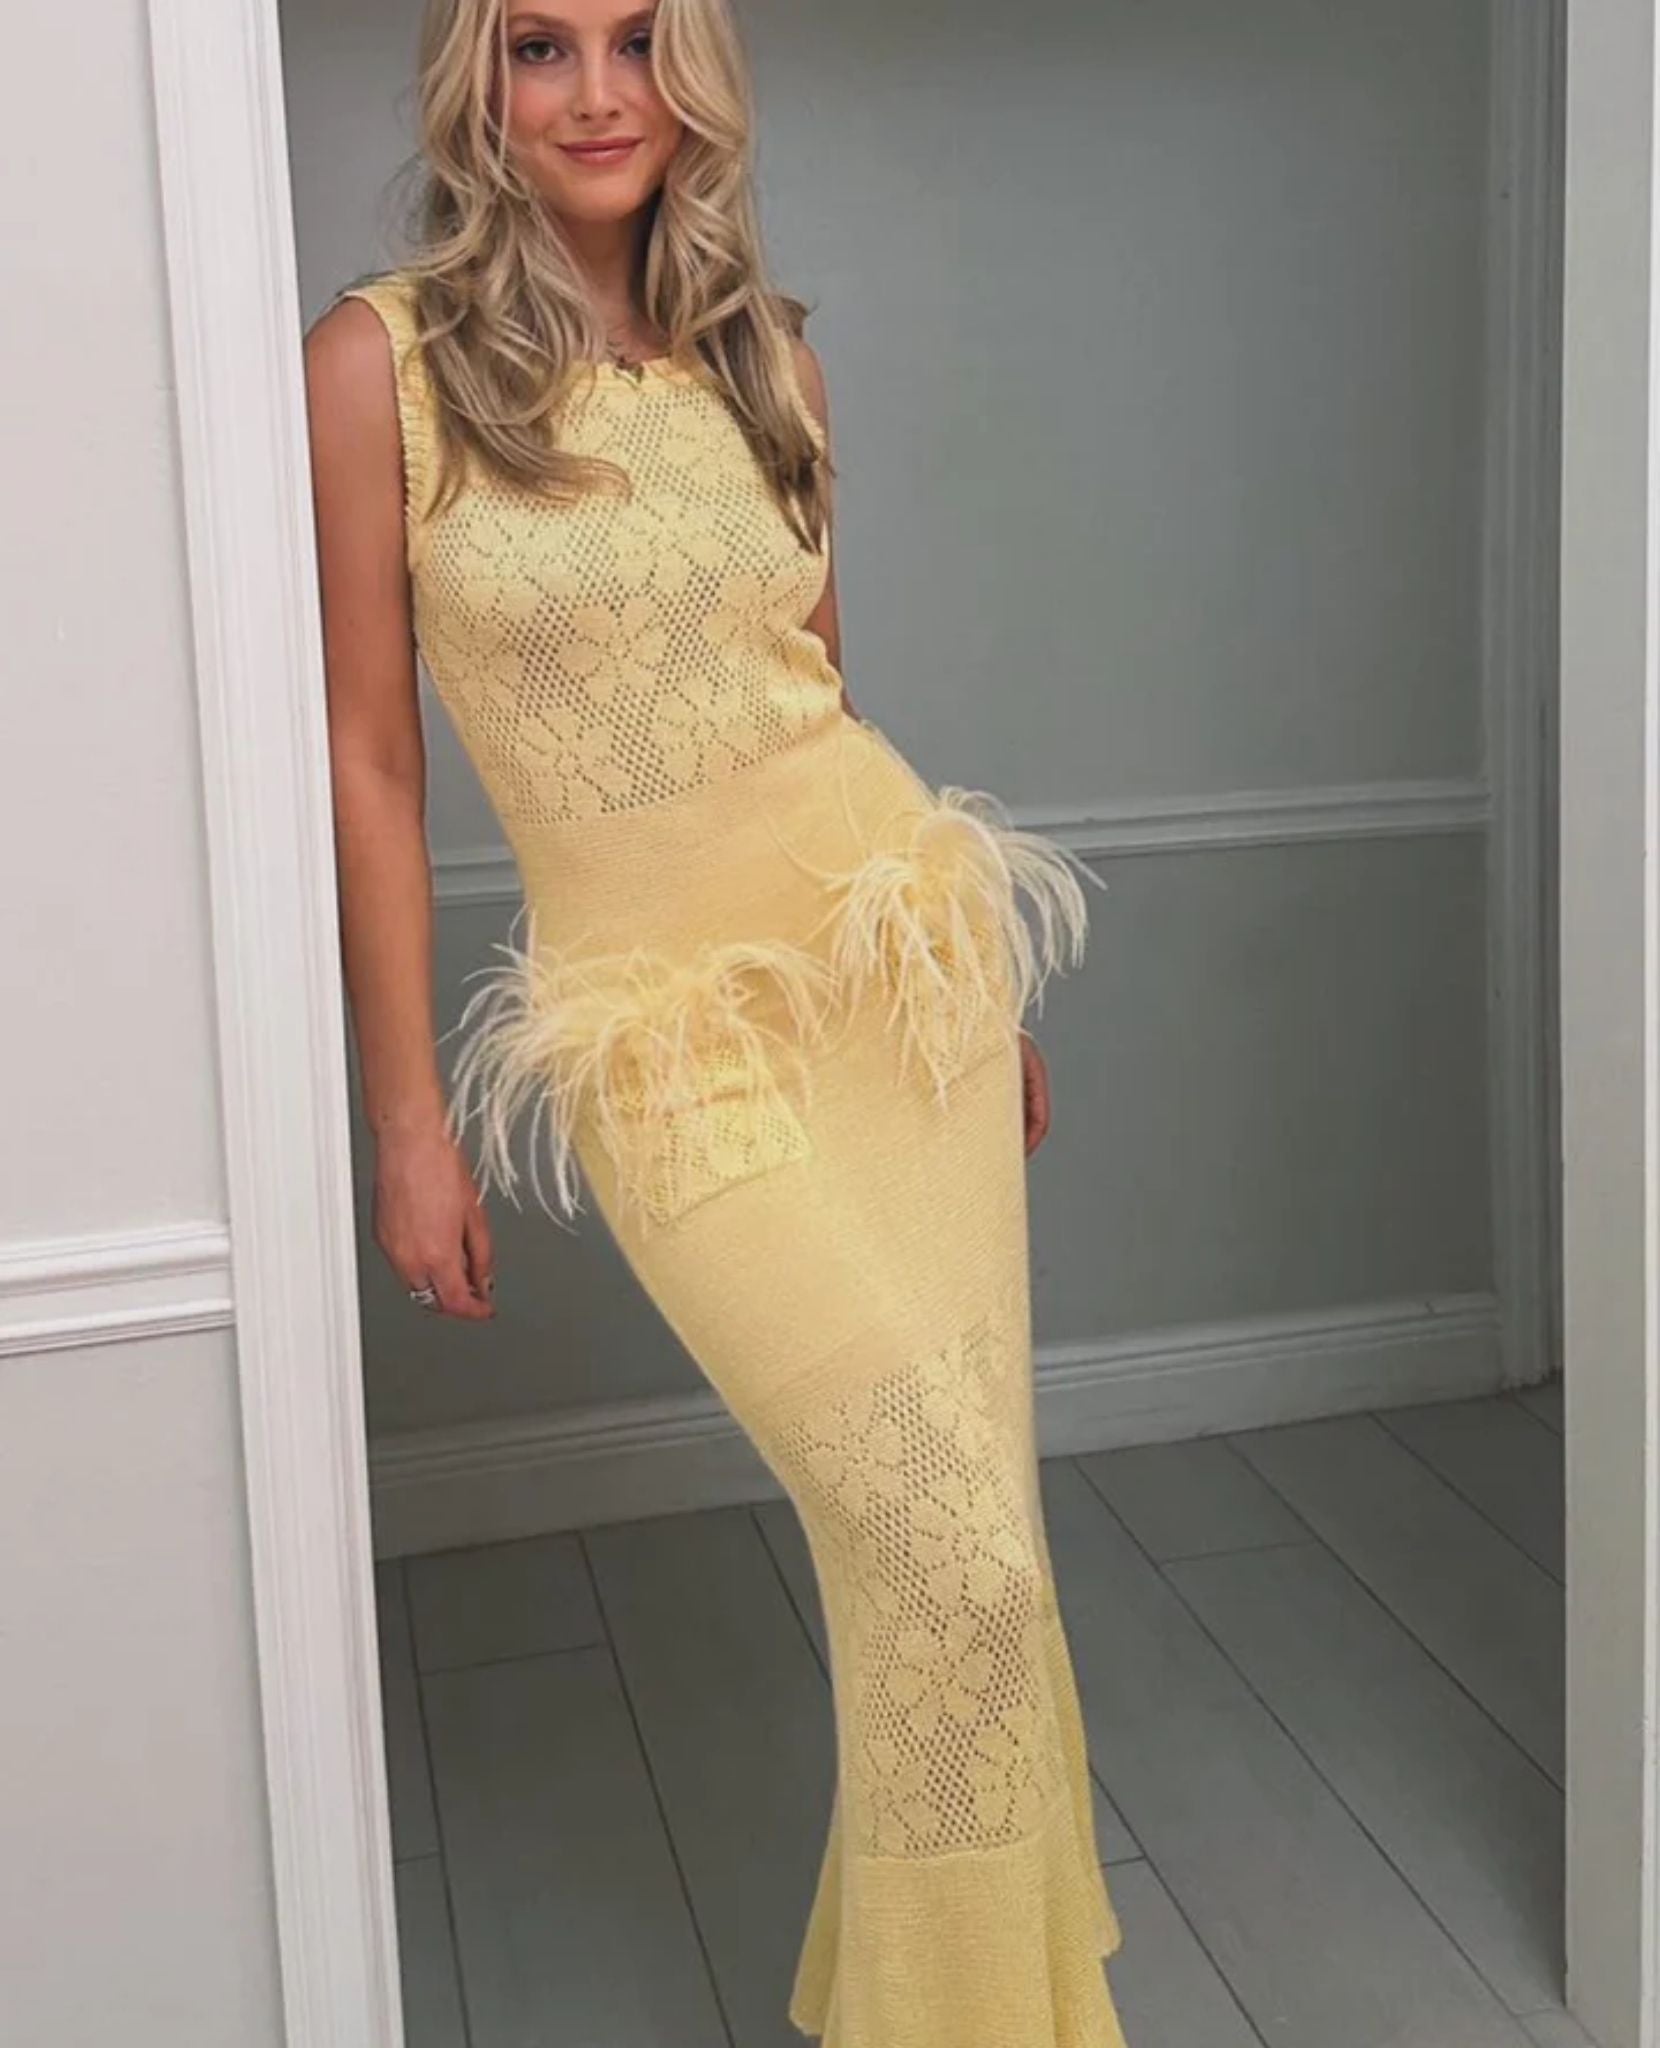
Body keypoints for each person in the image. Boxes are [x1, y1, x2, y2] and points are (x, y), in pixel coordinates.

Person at [303, 0, 1128, 2040]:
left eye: (639, 39)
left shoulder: (770, 360)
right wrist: (406, 1121)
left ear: (698, 76)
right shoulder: (380, 369)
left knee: (973, 1560)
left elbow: (819, 699)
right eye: (540, 45)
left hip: (892, 983)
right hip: (663, 1036)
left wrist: (952, 970)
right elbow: (369, 760)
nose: (598, 93)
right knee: (945, 1554)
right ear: (476, 83)